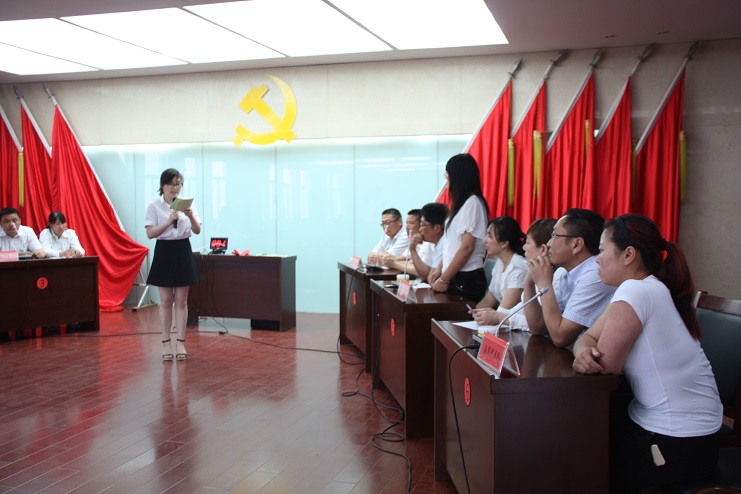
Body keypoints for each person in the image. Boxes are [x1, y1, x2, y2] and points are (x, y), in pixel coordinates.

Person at [572, 214, 722, 490]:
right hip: (694, 439)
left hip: (677, 445)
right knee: (586, 430)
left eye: (602, 251)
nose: (596, 259)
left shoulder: (636, 290)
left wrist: (585, 352)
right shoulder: (644, 287)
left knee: (579, 449)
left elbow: (605, 364)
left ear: (628, 254)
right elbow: (589, 337)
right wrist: (582, 350)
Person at [525, 208, 615, 347]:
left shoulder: (595, 274)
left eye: (554, 235)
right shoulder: (566, 273)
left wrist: (544, 282)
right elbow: (538, 327)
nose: (548, 244)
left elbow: (560, 337)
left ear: (577, 244)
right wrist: (529, 283)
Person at [145, 169, 201, 362]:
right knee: (166, 300)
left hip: (183, 249)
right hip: (164, 250)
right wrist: (169, 221)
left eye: (178, 184)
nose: (175, 188)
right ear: (163, 186)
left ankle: (181, 342)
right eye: (171, 184)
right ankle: (166, 343)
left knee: (182, 301)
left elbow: (197, 230)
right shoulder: (154, 205)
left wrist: (191, 216)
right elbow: (150, 233)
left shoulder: (187, 204)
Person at [473, 218, 557, 330]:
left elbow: (541, 325)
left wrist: (497, 316)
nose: (524, 247)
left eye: (527, 243)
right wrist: (479, 313)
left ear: (543, 250)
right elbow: (515, 309)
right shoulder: (500, 263)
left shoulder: (519, 268)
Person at [431, 154, 489, 301]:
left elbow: (467, 247)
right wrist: (440, 269)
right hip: (454, 273)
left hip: (467, 276)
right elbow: (452, 245)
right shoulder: (461, 204)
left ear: (458, 176)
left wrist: (444, 279)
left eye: (447, 174)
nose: (446, 179)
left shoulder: (472, 203)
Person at [475, 216, 527, 310]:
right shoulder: (500, 262)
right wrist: (471, 313)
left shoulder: (518, 268)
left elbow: (504, 311)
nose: (484, 240)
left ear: (504, 243)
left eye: (490, 236)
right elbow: (490, 298)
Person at [386, 208, 436, 274]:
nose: (407, 226)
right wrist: (390, 261)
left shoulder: (427, 243)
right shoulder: (413, 240)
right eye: (406, 223)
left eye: (411, 223)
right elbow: (404, 258)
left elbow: (419, 268)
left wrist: (394, 263)